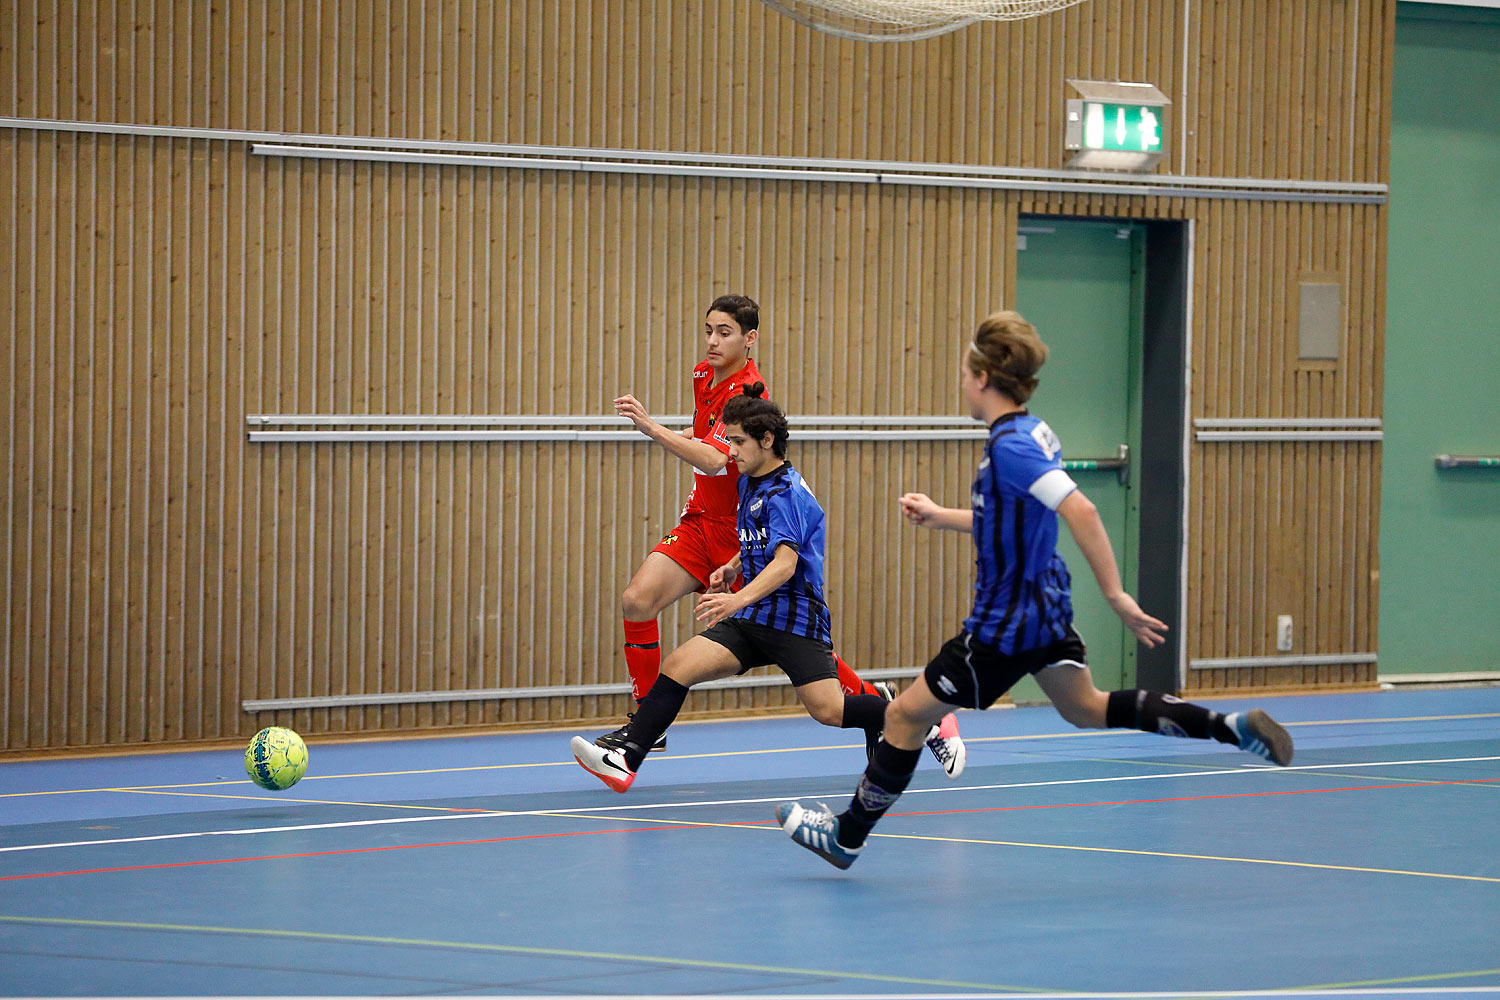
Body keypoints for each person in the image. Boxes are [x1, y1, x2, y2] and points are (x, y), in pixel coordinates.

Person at [777, 309, 1295, 869]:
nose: (961, 385)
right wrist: (941, 516)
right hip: (1047, 609)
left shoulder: (1010, 446)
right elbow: (1010, 518)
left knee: (904, 716)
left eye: (961, 375)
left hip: (1005, 623)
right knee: (1086, 708)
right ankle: (1231, 728)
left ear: (980, 378)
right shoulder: (1030, 431)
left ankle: (846, 836)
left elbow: (1082, 509)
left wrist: (1117, 595)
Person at [596, 294, 963, 773]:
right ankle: (647, 727)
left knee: (817, 679)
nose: (711, 340)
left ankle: (886, 705)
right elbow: (708, 453)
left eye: (723, 332)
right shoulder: (702, 376)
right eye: (708, 329)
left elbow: (714, 458)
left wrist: (650, 427)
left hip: (740, 527)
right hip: (700, 520)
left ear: (749, 339)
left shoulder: (752, 403)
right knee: (637, 601)